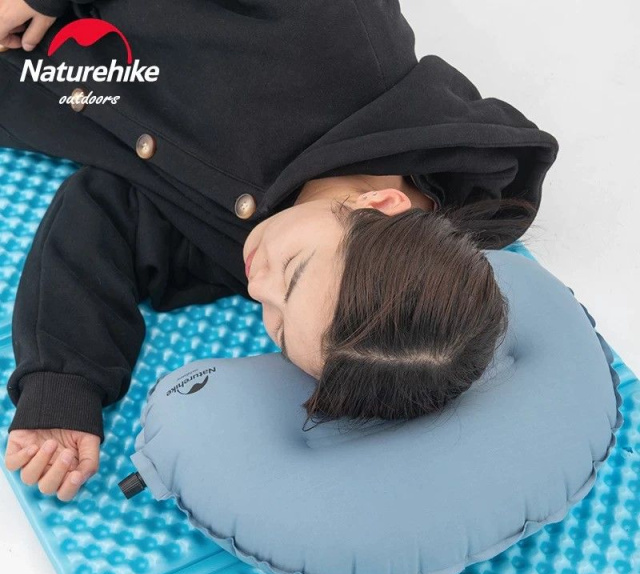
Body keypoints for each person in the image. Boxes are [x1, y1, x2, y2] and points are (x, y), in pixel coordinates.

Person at [0, 0, 559, 501]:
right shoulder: (336, 34)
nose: (257, 285)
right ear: (381, 204)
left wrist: (64, 385)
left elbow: (106, 214)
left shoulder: (271, 246)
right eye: (292, 273)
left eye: (277, 324)